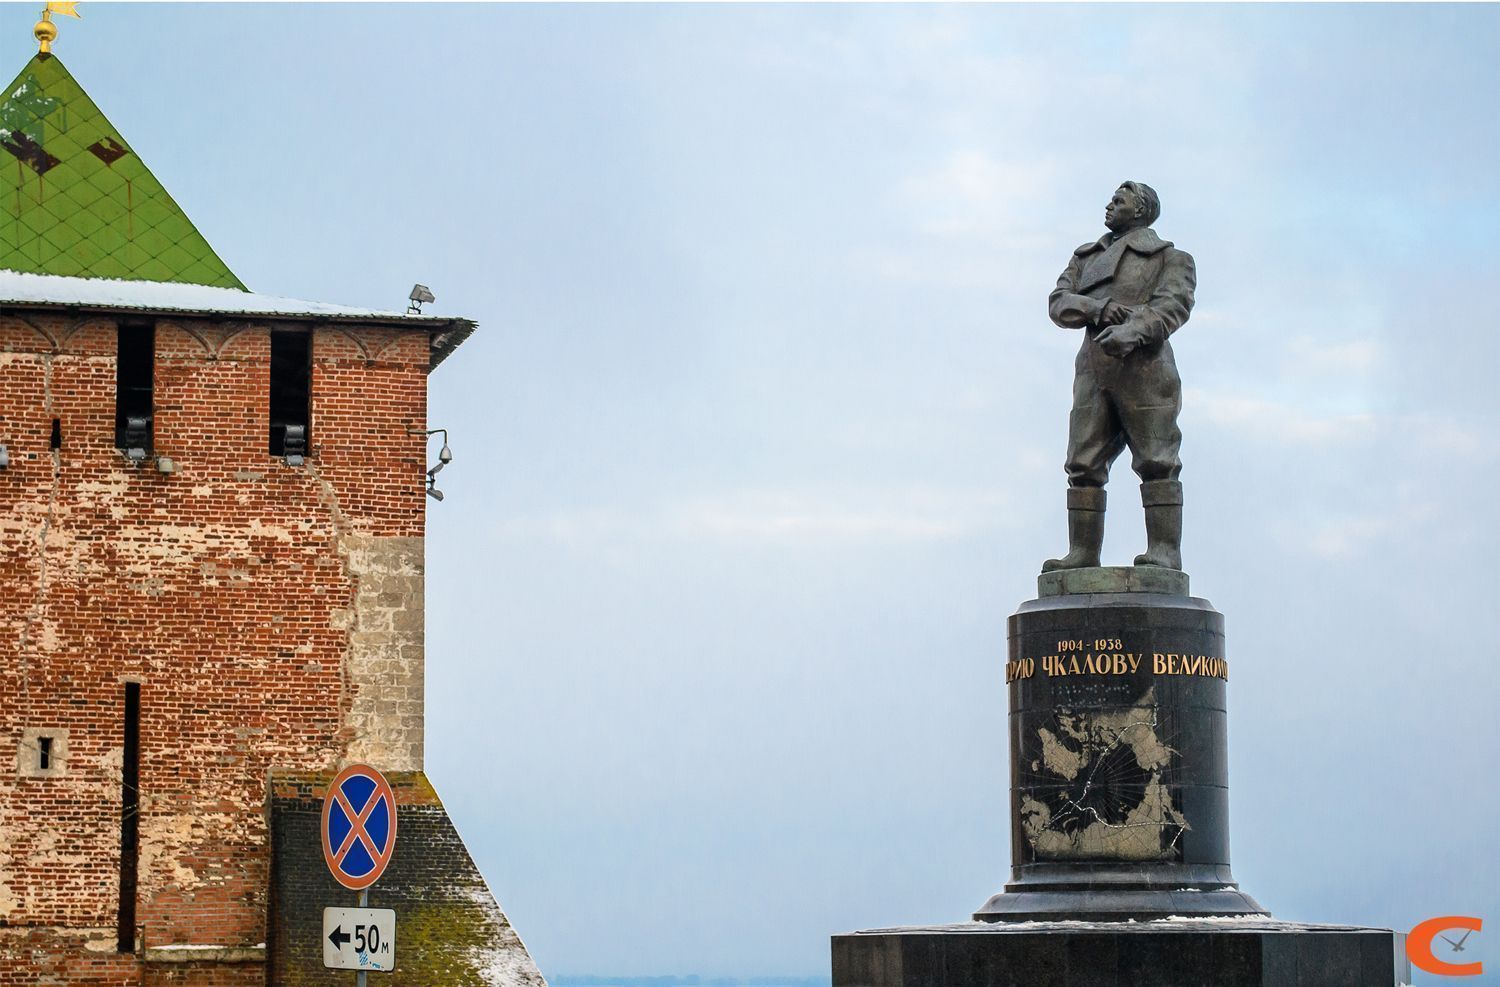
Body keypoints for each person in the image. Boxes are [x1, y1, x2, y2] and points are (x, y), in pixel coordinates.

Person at [1043, 182, 1196, 572]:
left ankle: (1164, 551)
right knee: (1082, 465)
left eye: (1119, 200)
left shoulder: (1171, 258)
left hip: (1146, 371)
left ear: (1141, 210)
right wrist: (1098, 309)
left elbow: (1173, 305)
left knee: (1158, 461)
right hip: (1093, 372)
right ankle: (1082, 555)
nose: (1109, 206)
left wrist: (1131, 332)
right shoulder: (1086, 257)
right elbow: (1059, 302)